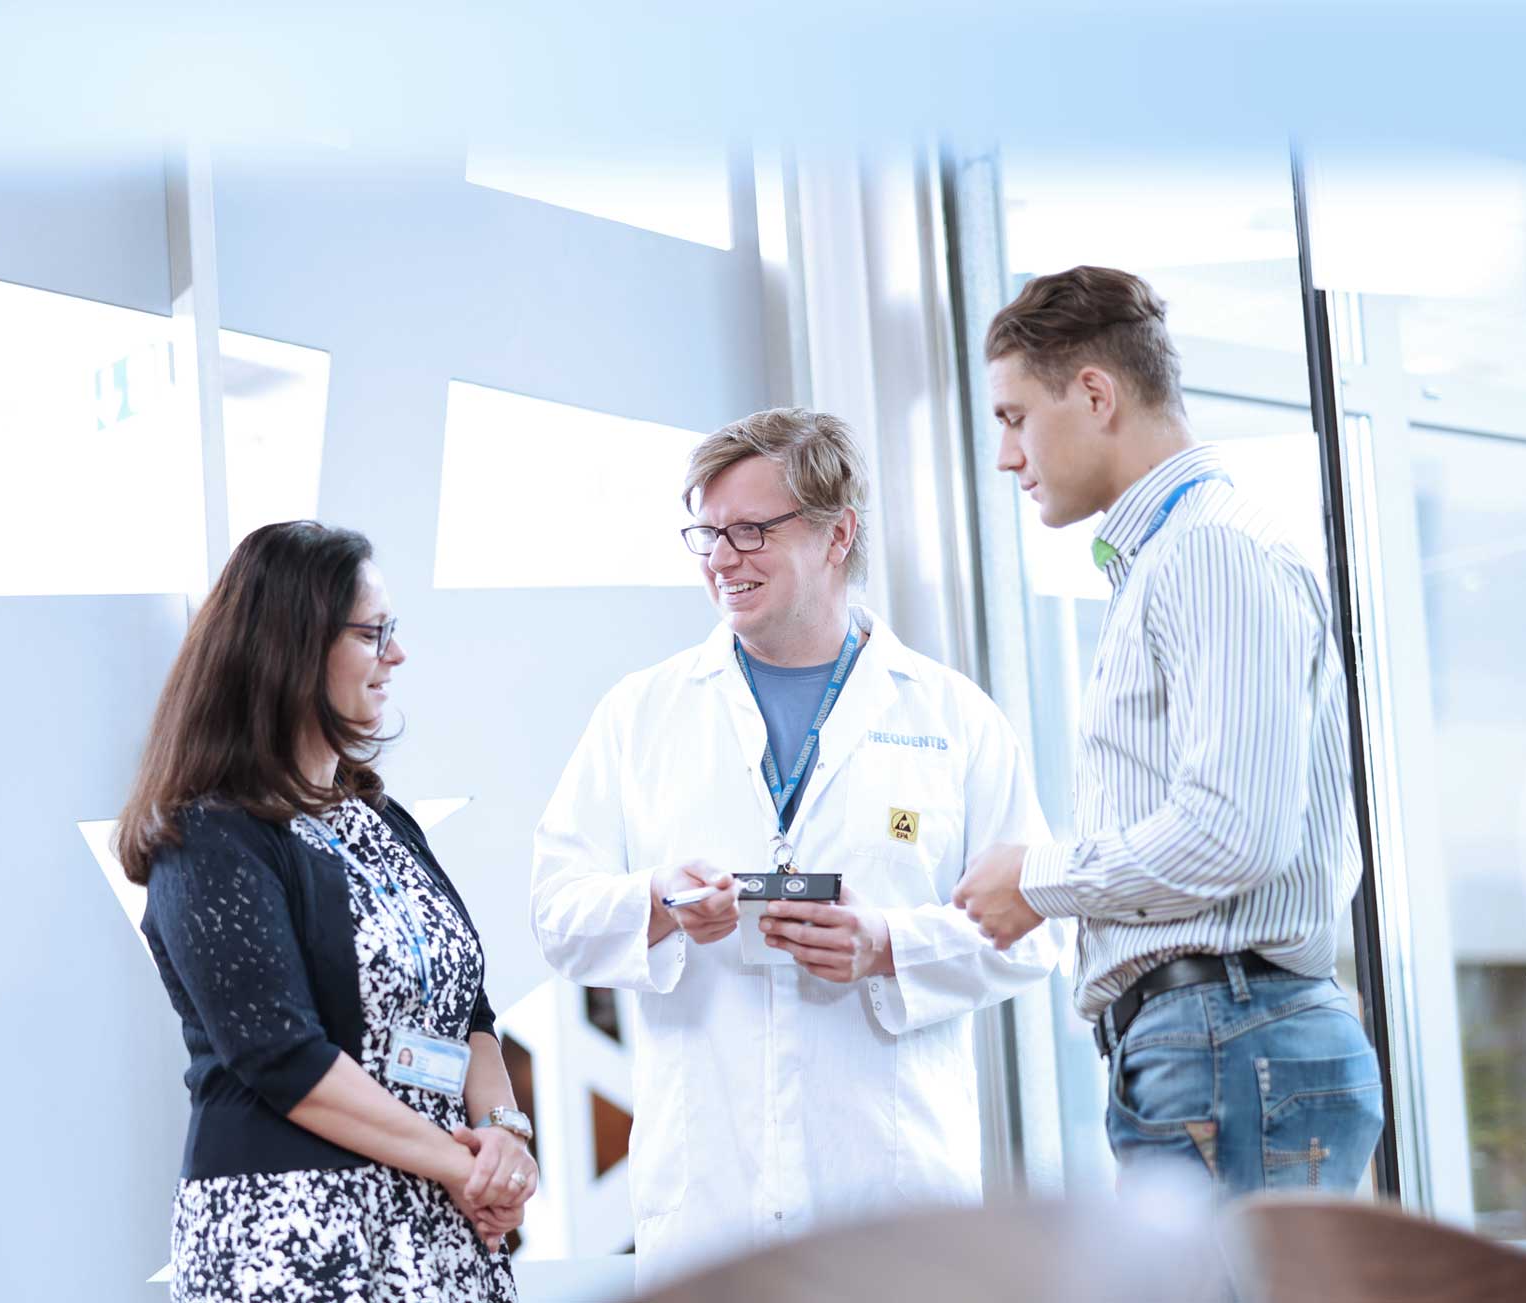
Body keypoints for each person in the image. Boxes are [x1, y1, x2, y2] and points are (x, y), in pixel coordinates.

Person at [531, 408, 1062, 1288]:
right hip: (710, 1197)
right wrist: (657, 903)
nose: (720, 558)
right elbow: (557, 911)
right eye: (706, 533)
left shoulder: (950, 715)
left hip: (893, 1198)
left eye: (749, 530)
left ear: (837, 533)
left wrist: (890, 944)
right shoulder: (642, 713)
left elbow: (1040, 927)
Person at [952, 266, 1384, 1193]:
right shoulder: (1173, 557)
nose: (1006, 457)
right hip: (1219, 1043)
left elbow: (1231, 830)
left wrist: (1040, 877)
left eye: (1013, 417)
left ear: (1095, 393)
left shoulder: (1209, 552)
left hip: (1228, 1039)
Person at [119, 521, 535, 1301]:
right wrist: (465, 1164)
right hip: (295, 1233)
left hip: (440, 1226)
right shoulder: (211, 836)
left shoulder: (383, 820)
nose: (397, 656)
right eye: (375, 634)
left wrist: (506, 1141)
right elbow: (282, 1055)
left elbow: (467, 1009)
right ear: (293, 649)